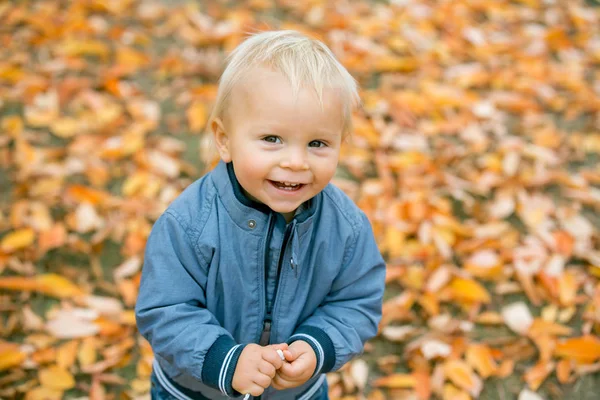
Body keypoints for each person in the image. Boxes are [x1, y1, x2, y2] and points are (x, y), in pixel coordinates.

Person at [135, 30, 386, 400]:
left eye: (317, 143)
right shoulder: (189, 223)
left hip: (295, 391)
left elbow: (356, 301)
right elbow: (166, 309)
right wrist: (226, 361)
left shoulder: (344, 228)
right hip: (195, 391)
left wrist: (317, 347)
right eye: (272, 139)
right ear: (225, 140)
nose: (296, 161)